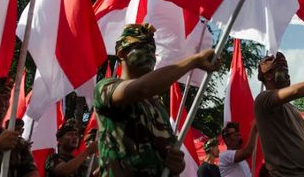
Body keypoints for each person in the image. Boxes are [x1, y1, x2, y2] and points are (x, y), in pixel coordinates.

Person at [93, 23, 220, 177]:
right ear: (121, 52)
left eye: (152, 50)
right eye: (141, 46)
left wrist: (177, 164)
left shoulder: (156, 107)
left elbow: (170, 154)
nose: (150, 54)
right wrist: (193, 61)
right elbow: (143, 88)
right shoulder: (106, 87)